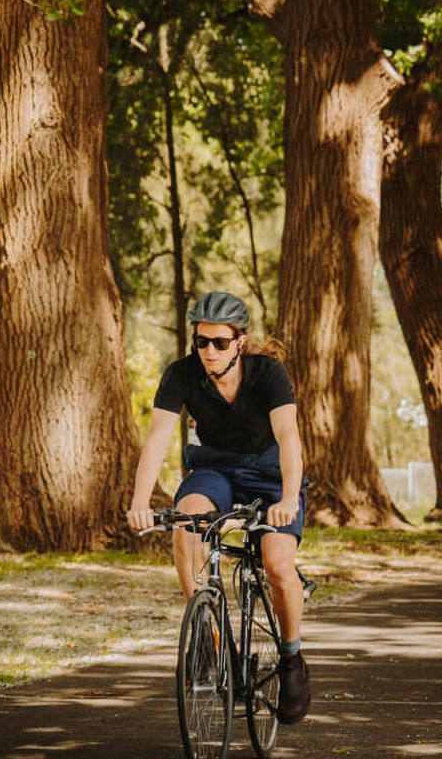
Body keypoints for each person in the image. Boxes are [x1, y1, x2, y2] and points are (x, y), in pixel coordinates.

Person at [126, 291, 311, 723]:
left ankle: (291, 658)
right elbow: (156, 440)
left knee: (278, 565)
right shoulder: (182, 375)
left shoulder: (269, 374)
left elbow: (289, 439)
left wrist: (286, 498)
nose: (209, 351)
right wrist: (139, 502)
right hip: (213, 472)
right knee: (186, 525)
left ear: (240, 342)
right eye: (201, 342)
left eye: (219, 342)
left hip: (268, 475)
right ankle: (208, 639)